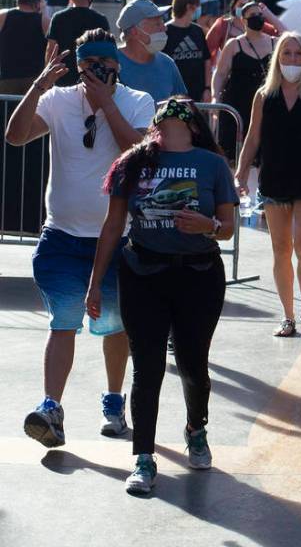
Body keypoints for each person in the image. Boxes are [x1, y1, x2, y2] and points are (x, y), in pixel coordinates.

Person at [4, 29, 153, 450]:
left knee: (113, 326)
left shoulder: (136, 100)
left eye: (103, 65)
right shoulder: (58, 99)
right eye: (88, 66)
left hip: (117, 238)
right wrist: (38, 85)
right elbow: (15, 136)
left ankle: (113, 400)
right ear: (79, 66)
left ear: (116, 66)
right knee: (63, 322)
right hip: (62, 236)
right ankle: (51, 407)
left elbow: (138, 153)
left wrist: (106, 102)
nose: (95, 73)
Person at [91, 97, 237, 495]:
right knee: (147, 367)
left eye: (179, 114)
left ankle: (195, 428)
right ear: (156, 124)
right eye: (164, 115)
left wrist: (208, 225)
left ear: (193, 126)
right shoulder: (132, 163)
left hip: (199, 275)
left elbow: (228, 226)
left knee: (193, 364)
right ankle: (143, 458)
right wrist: (95, 282)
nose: (171, 119)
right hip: (143, 273)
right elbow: (112, 225)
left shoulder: (212, 164)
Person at [236, 34, 301, 338]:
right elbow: (253, 137)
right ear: (277, 58)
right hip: (274, 179)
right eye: (286, 54)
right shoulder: (263, 95)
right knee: (280, 250)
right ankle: (288, 315)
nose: (292, 60)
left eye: (298, 54)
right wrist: (241, 172)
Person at [211, 1, 275, 161]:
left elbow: (291, 35)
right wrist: (215, 97)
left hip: (266, 106)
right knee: (233, 155)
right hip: (237, 105)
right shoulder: (234, 45)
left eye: (260, 15)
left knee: (264, 156)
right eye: (252, 16)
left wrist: (270, 16)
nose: (258, 18)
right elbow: (220, 74)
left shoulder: (275, 42)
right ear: (243, 20)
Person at [116, 0, 188, 104]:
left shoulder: (167, 64)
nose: (164, 28)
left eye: (163, 22)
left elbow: (183, 105)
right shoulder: (111, 63)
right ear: (135, 31)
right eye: (157, 24)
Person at [45, 0, 111, 87]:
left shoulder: (58, 18)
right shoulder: (101, 19)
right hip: (92, 79)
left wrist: (48, 76)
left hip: (62, 77)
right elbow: (107, 50)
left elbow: (50, 49)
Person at [206, 0, 282, 64]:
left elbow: (283, 35)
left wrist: (268, 14)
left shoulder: (261, 26)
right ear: (233, 7)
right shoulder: (223, 24)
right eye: (241, 5)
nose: (245, 9)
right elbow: (207, 51)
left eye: (249, 5)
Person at [164, 0, 213, 103]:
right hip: (173, 96)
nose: (199, 9)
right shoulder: (165, 31)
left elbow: (206, 60)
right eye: (197, 5)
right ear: (188, 7)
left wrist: (207, 89)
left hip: (197, 95)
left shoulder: (198, 31)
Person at [0, 0, 49, 94]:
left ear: (18, 1)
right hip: (34, 80)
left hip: (7, 77)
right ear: (37, 3)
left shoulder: (3, 16)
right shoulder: (44, 21)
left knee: (6, 110)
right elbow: (52, 48)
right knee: (31, 110)